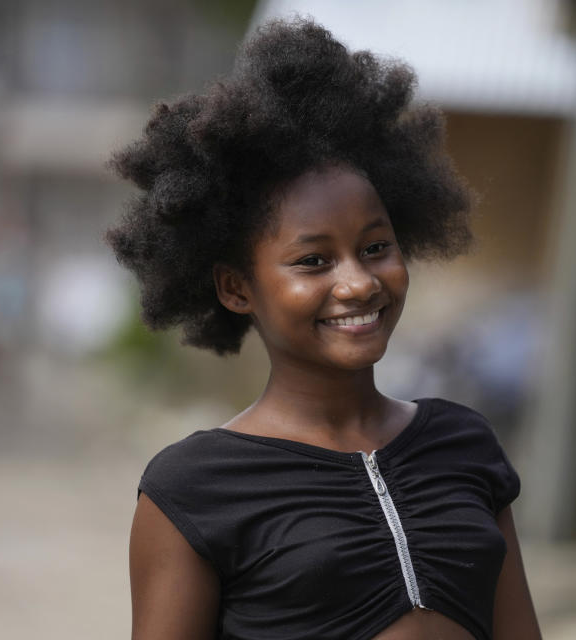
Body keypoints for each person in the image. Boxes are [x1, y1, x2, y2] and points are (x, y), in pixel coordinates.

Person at [107, 18, 541, 640]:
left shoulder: (463, 445)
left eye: (376, 247)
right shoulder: (194, 488)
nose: (359, 282)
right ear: (236, 287)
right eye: (313, 260)